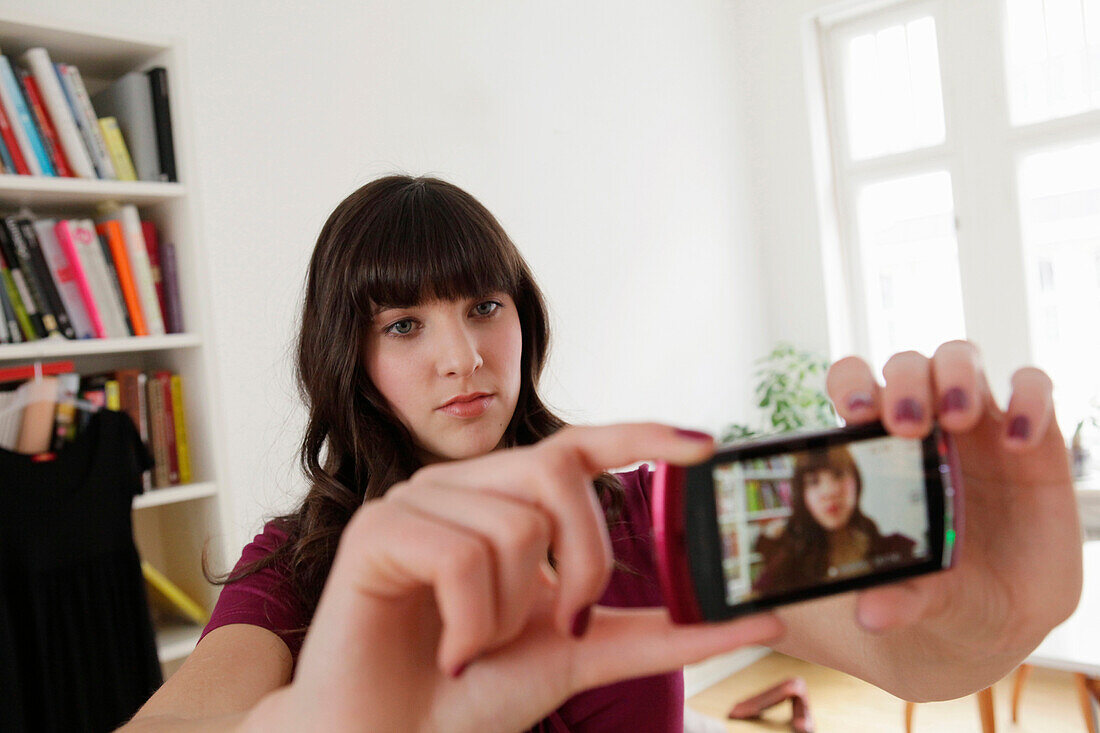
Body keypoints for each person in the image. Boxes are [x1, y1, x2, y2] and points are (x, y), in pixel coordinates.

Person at [119, 175, 1083, 732]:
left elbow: (904, 653)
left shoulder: (634, 517)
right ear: (352, 359)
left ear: (522, 319)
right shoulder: (294, 577)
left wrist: (998, 618)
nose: (463, 356)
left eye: (483, 306)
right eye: (405, 323)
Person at [751, 445, 917, 596]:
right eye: (813, 482)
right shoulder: (785, 566)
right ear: (801, 494)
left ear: (856, 480)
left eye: (838, 475)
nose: (829, 492)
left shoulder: (895, 550)